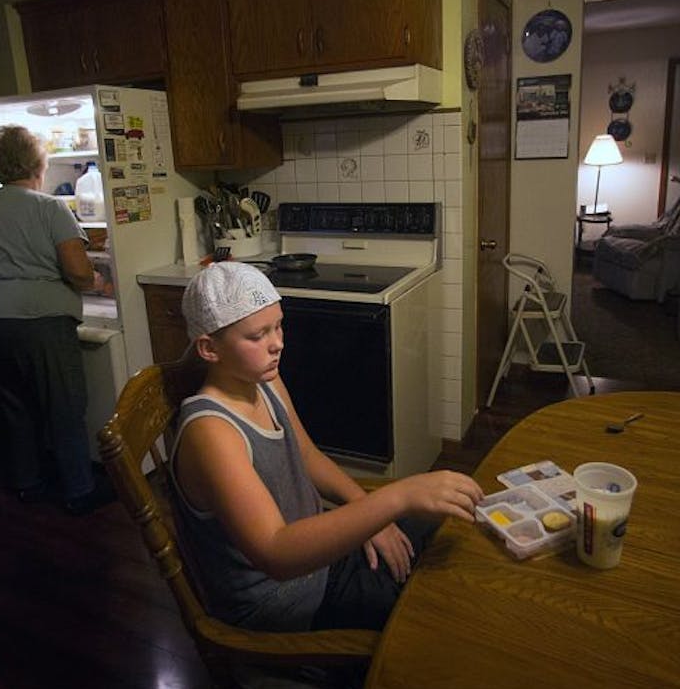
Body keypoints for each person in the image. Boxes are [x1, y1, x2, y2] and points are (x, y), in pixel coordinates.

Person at [170, 262, 484, 632]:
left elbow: (307, 456)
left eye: (278, 325)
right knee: (432, 608)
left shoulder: (262, 381)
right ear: (209, 349)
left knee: (442, 538)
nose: (278, 343)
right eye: (258, 336)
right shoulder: (210, 431)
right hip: (283, 597)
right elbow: (275, 553)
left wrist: (369, 515)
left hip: (317, 551)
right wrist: (395, 499)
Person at [0, 124, 113, 515]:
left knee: (14, 407)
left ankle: (29, 484)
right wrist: (97, 280)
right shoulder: (50, 207)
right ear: (38, 163)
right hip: (36, 320)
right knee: (63, 405)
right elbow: (78, 271)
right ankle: (79, 490)